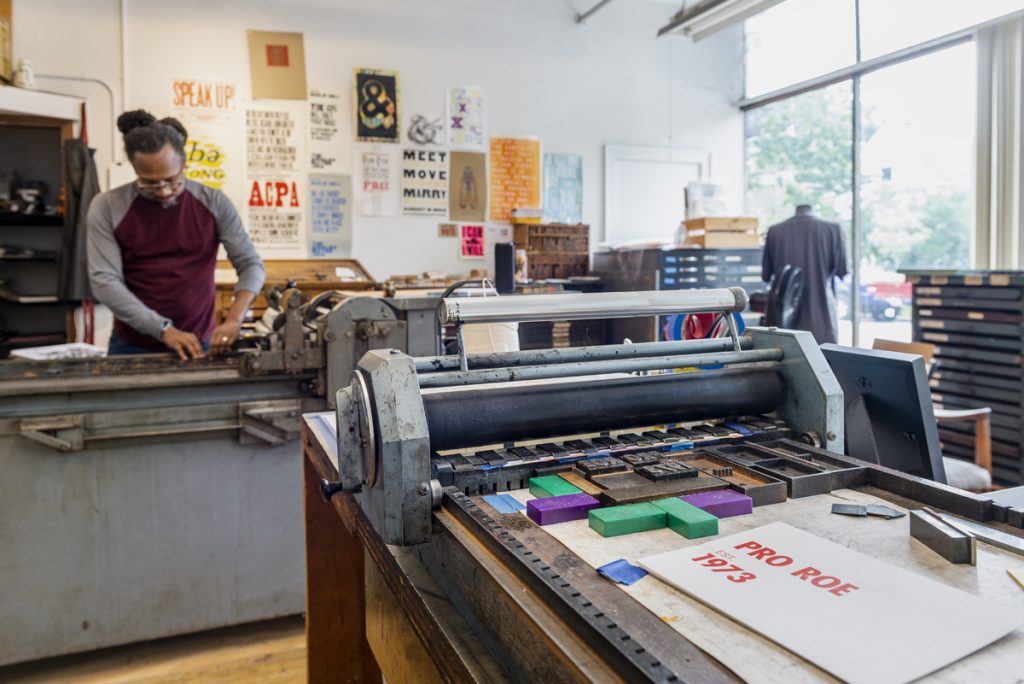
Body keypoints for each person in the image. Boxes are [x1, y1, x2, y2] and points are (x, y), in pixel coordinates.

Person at [87, 110, 264, 359]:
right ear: (135, 169)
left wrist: (234, 319)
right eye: (150, 183)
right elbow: (105, 282)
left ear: (184, 164)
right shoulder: (107, 206)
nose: (163, 191)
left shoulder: (214, 203)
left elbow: (250, 264)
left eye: (172, 180)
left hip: (200, 341)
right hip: (132, 345)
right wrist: (163, 330)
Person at [761, 204, 848, 344]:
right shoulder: (833, 229)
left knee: (784, 362)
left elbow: (766, 275)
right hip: (822, 322)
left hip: (782, 324)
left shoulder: (774, 231)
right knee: (824, 362)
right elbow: (842, 270)